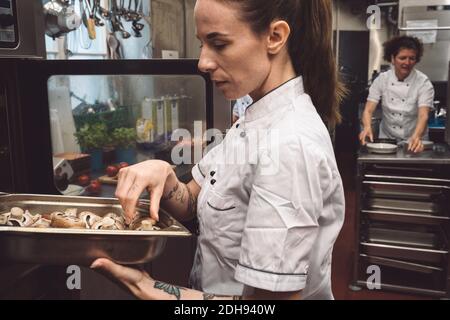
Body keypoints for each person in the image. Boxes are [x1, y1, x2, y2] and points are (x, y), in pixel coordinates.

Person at [91, 0, 346, 300]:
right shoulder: (253, 121)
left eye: (219, 43)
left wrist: (150, 290)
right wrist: (165, 174)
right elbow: (190, 203)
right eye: (203, 44)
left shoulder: (289, 145)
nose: (203, 62)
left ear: (275, 37)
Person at [359, 36, 435, 153]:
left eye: (412, 58)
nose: (407, 62)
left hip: (415, 140)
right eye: (402, 58)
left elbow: (423, 115)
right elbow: (368, 110)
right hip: (387, 140)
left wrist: (416, 136)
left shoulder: (423, 82)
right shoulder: (382, 80)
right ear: (393, 59)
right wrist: (367, 127)